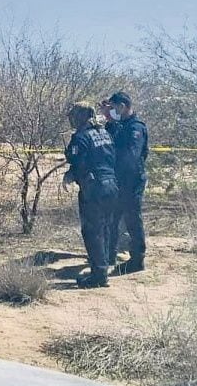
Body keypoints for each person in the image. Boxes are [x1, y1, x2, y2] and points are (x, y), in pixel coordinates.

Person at [63, 102, 118, 289]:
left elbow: (74, 158)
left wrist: (71, 174)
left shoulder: (81, 137)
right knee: (105, 228)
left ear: (81, 116)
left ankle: (99, 276)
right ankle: (105, 264)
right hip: (112, 185)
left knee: (92, 231)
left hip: (94, 188)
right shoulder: (104, 133)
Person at [102, 91, 149, 273]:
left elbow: (131, 156)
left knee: (132, 219)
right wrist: (108, 116)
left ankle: (137, 259)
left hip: (132, 180)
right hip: (118, 180)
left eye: (114, 108)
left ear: (122, 106)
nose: (112, 111)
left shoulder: (135, 128)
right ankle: (109, 255)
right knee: (112, 218)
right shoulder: (119, 125)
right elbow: (108, 136)